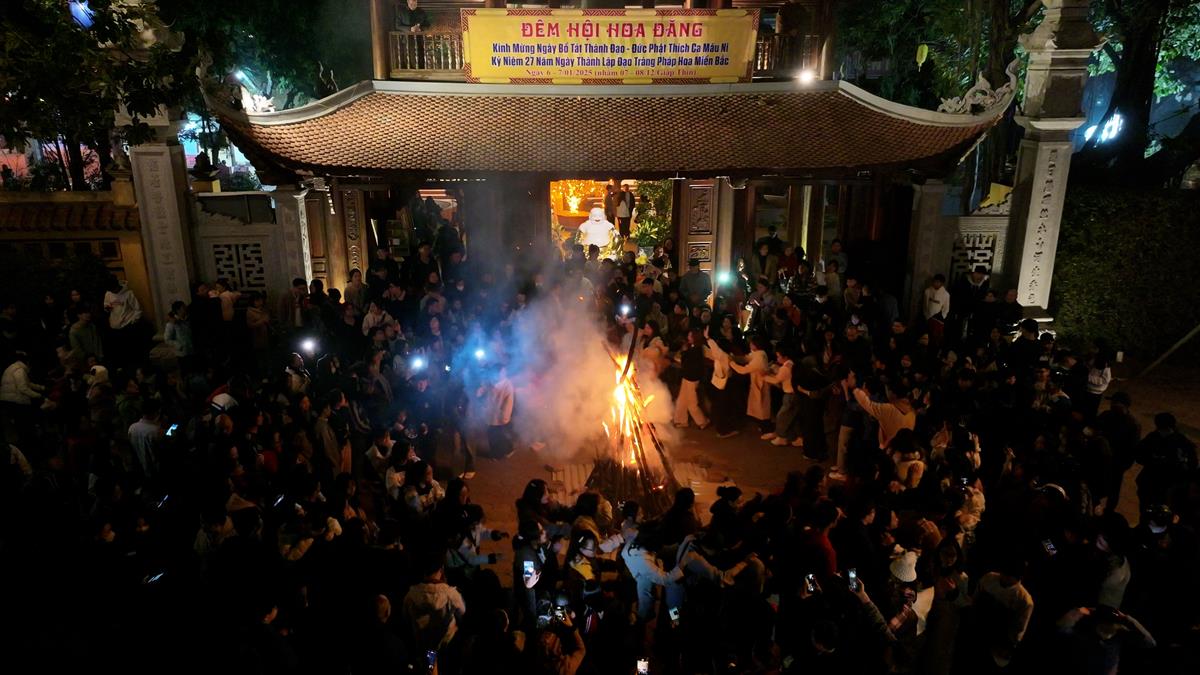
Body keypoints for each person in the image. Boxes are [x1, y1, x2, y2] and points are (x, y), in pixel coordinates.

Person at [673, 329, 709, 429]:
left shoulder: (696, 350)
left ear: (694, 338)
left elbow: (686, 362)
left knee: (692, 403)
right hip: (687, 377)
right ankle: (681, 420)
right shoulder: (694, 348)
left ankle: (703, 421)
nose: (688, 338)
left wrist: (684, 352)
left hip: (691, 379)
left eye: (690, 336)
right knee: (681, 400)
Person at [479, 365, 515, 458]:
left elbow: (508, 403)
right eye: (501, 372)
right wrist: (479, 392)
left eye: (504, 372)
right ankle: (507, 450)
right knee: (495, 434)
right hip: (491, 414)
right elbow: (483, 389)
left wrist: (505, 417)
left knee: (496, 436)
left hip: (499, 416)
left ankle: (499, 454)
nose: (503, 374)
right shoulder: (492, 381)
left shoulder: (507, 385)